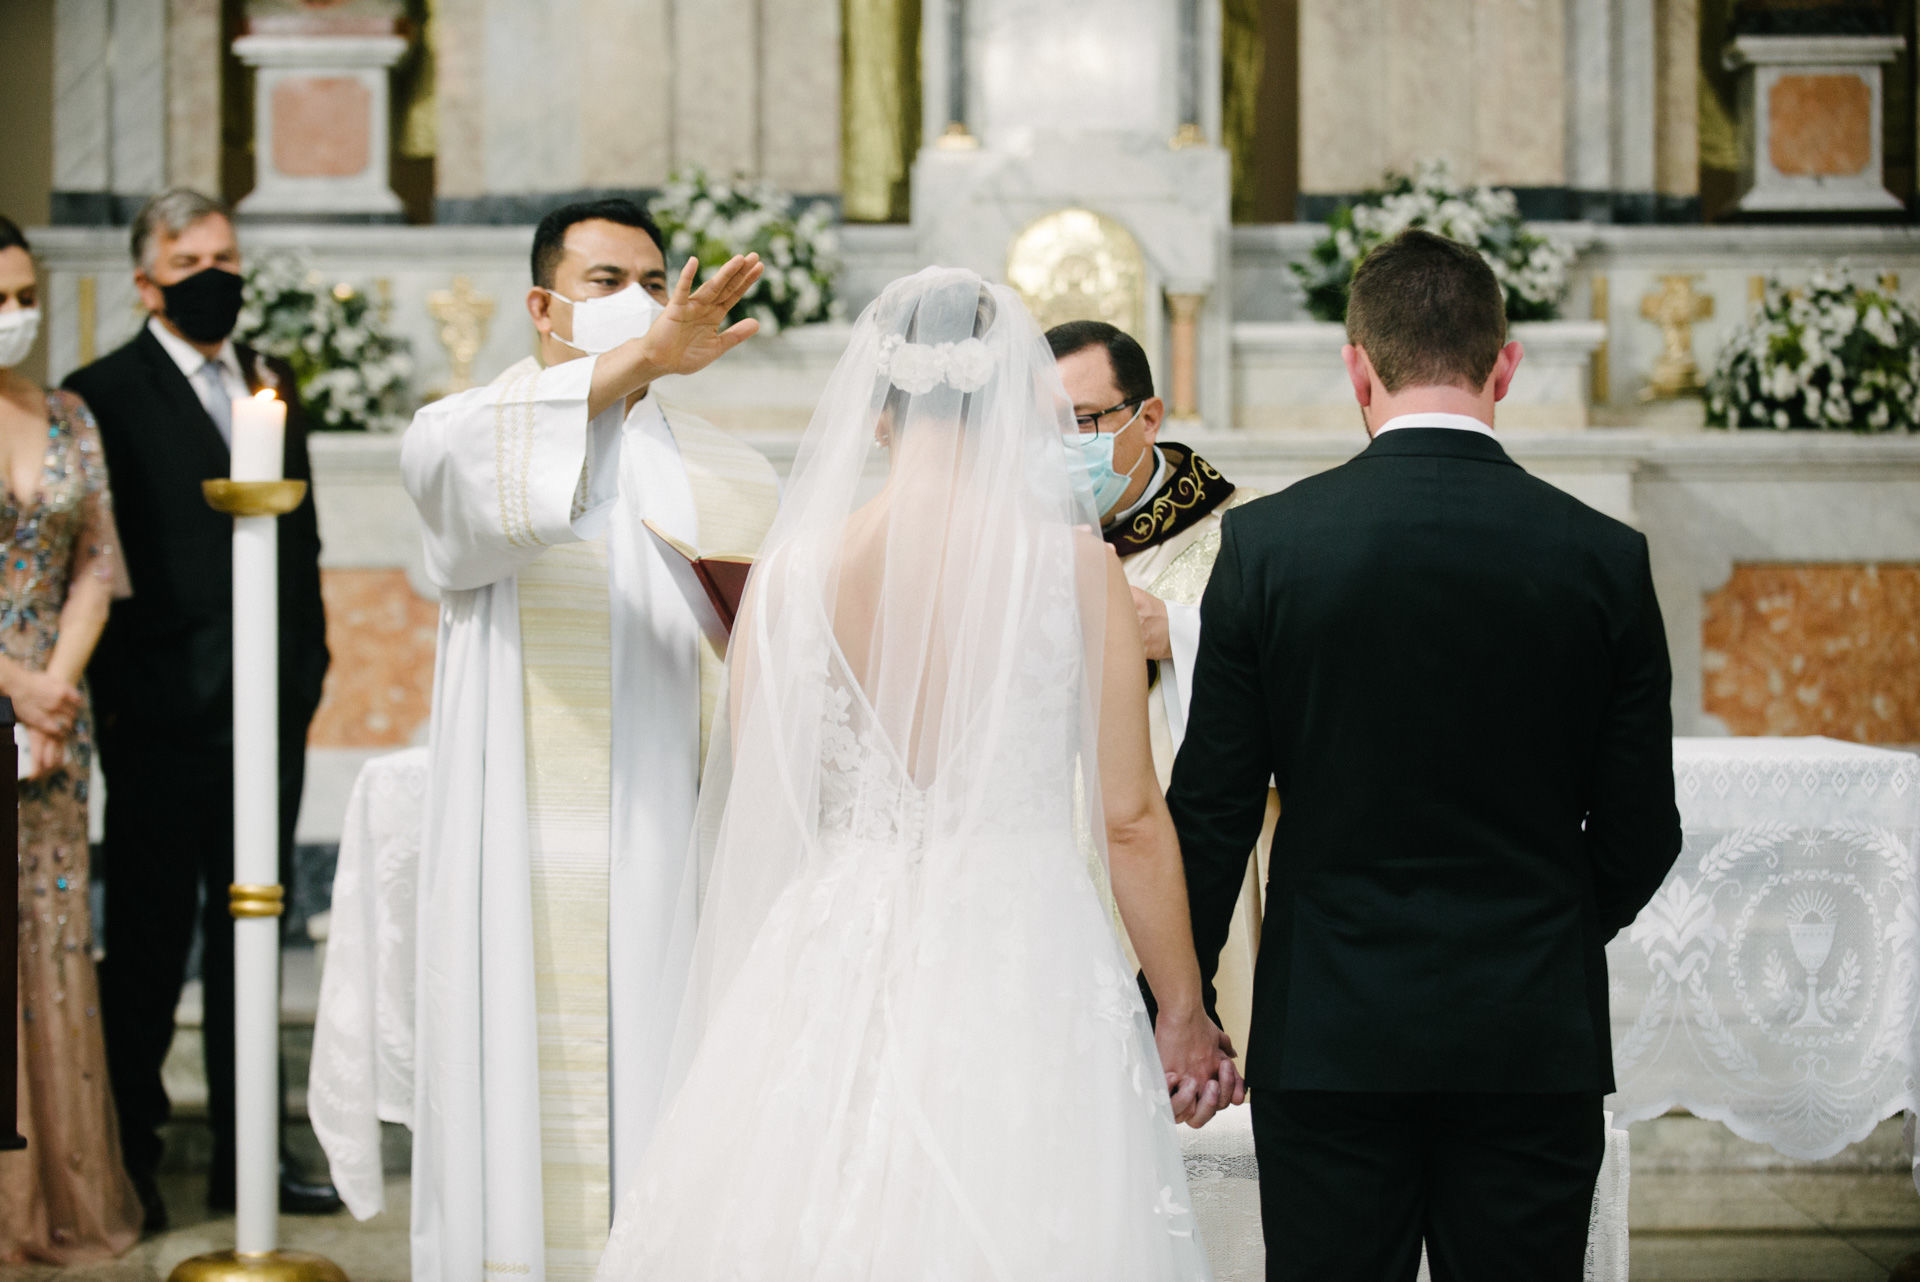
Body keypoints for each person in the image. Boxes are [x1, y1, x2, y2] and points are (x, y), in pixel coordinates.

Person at [595, 268, 1240, 1281]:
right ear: (1011, 412)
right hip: (1022, 941)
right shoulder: (1075, 568)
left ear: (880, 416)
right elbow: (1128, 819)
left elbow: (770, 808)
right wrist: (1183, 1007)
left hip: (835, 935)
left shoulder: (792, 572)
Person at [1167, 228, 1682, 1280]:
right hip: (1532, 1032)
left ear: (1357, 364)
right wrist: (1546, 922)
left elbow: (1211, 807)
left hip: (1329, 1032)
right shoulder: (1604, 559)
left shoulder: (1269, 549)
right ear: (1507, 362)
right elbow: (1642, 830)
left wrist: (1183, 1009)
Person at [393, 198, 779, 1282]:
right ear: (542, 304)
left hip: (680, 840)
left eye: (654, 282)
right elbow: (464, 502)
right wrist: (641, 359)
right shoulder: (467, 432)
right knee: (528, 1093)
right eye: (606, 282)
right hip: (528, 852)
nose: (643, 304)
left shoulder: (733, 475)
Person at [61, 189, 336, 1230]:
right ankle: (131, 1152)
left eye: (225, 254)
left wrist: (306, 669)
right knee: (145, 947)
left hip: (267, 714)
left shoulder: (270, 380)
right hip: (161, 718)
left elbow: (298, 543)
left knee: (249, 943)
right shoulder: (102, 395)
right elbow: (101, 560)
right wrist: (124, 705)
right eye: (189, 261)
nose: (214, 274)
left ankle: (247, 1154)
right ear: (146, 282)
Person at [1048, 319, 1269, 1054]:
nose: (1061, 445)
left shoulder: (1249, 535)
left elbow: (1302, 677)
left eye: (1081, 421)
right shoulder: (1011, 537)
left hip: (1195, 855)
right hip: (1051, 863)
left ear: (1147, 418)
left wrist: (1175, 633)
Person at [0, 217, 141, 1261]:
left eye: (23, 295)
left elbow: (98, 562)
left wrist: (51, 689)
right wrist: (11, 684)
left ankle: (53, 1192)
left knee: (50, 941)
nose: (17, 317)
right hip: (14, 693)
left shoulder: (71, 416)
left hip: (56, 720)